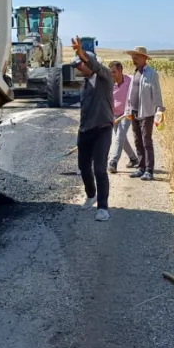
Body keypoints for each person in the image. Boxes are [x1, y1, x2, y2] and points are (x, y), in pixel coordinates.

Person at [70, 36, 114, 221]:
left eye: (80, 64)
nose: (78, 68)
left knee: (100, 169)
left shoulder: (105, 78)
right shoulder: (86, 84)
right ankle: (91, 195)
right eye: (76, 66)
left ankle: (103, 207)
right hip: (86, 130)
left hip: (102, 129)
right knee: (83, 167)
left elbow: (95, 65)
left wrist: (83, 54)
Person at [125, 46, 165, 181]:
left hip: (147, 113)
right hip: (134, 111)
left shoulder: (152, 74)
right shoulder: (135, 73)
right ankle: (140, 168)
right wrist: (128, 109)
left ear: (144, 58)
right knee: (137, 141)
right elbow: (130, 93)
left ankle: (149, 170)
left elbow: (157, 93)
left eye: (136, 57)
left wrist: (159, 110)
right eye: (132, 57)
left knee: (146, 141)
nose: (133, 60)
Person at [107, 61, 139, 173]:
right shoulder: (109, 84)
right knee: (122, 139)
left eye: (114, 72)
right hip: (114, 114)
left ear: (121, 71)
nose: (112, 75)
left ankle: (113, 162)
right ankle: (134, 159)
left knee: (119, 136)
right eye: (110, 72)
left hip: (127, 114)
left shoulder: (130, 81)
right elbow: (108, 101)